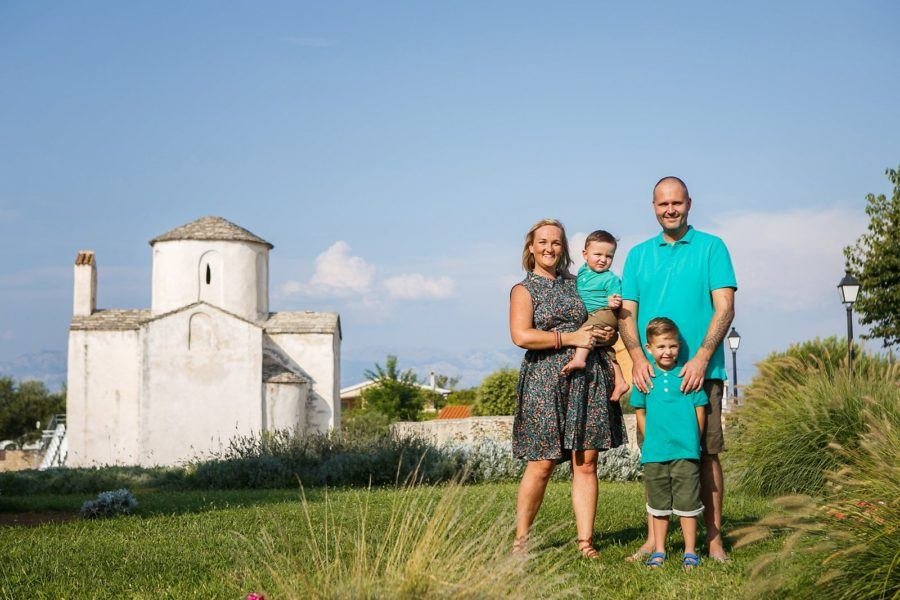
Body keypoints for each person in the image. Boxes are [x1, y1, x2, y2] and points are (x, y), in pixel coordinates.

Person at [619, 176, 736, 562]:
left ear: (689, 203)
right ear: (653, 207)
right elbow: (627, 314)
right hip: (651, 376)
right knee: (654, 455)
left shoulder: (712, 248)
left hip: (701, 372)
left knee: (705, 454)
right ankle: (655, 542)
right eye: (662, 203)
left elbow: (724, 307)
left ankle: (713, 538)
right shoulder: (637, 255)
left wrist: (701, 355)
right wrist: (637, 357)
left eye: (677, 203)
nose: (670, 209)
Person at [510, 218, 627, 558]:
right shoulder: (523, 289)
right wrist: (569, 338)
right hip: (544, 381)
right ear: (531, 247)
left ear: (564, 249)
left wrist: (609, 334)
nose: (549, 248)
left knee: (586, 463)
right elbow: (521, 336)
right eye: (543, 242)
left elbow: (602, 319)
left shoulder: (580, 283)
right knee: (542, 463)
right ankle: (521, 541)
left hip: (588, 378)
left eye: (556, 242)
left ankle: (585, 542)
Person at [631, 317, 708, 569]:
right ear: (649, 348)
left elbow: (700, 409)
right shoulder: (645, 378)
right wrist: (650, 437)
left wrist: (693, 439)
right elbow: (640, 412)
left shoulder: (688, 375)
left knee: (688, 503)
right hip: (655, 452)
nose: (668, 351)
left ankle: (690, 551)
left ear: (679, 346)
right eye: (661, 346)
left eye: (672, 346)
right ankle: (660, 550)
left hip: (685, 451)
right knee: (658, 504)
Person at [561, 230, 631, 402]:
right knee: (606, 349)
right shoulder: (584, 272)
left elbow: (615, 295)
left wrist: (613, 300)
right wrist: (562, 273)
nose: (603, 259)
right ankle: (621, 381)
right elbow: (574, 278)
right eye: (597, 254)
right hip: (594, 313)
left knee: (586, 331)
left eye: (609, 256)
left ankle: (579, 359)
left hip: (605, 312)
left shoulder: (610, 278)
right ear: (585, 254)